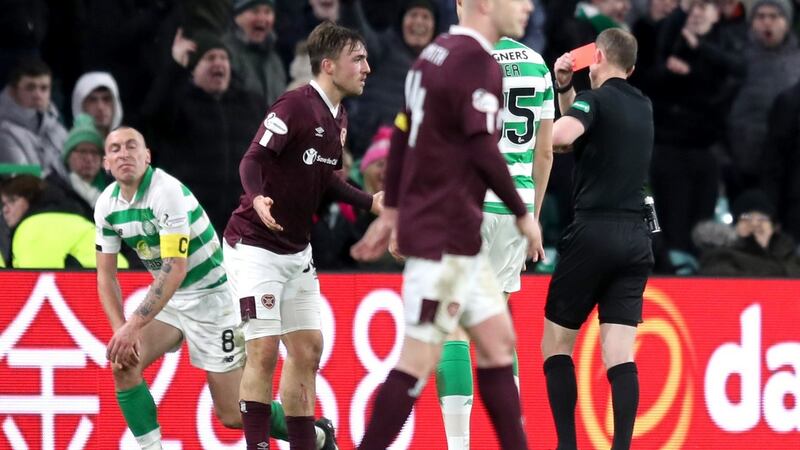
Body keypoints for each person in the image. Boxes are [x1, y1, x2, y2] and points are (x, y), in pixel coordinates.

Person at [350, 0, 543, 448]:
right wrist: (521, 212)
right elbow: (481, 148)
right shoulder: (477, 63)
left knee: (497, 344)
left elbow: (401, 131)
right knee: (415, 364)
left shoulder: (432, 55)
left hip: (461, 238)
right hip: (442, 240)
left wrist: (394, 211)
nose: (529, 6)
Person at [95, 127, 337, 450]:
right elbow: (106, 276)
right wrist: (120, 331)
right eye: (114, 149)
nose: (123, 153)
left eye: (131, 146)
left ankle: (318, 436)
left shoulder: (165, 192)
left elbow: (175, 268)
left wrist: (133, 326)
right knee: (122, 364)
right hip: (171, 300)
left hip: (214, 298)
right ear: (106, 164)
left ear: (147, 156)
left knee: (232, 413)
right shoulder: (106, 206)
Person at [223, 22, 378, 450]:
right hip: (254, 246)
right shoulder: (294, 105)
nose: (367, 67)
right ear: (329, 66)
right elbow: (251, 160)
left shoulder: (338, 116)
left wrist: (371, 203)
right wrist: (256, 199)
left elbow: (326, 179)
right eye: (358, 59)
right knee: (264, 351)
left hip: (296, 250)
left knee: (308, 350)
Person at [433, 1, 555, 447]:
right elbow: (545, 153)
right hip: (515, 208)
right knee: (497, 323)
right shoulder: (536, 64)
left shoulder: (454, 58)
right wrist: (533, 220)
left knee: (454, 327)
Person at [542, 28, 654, 450]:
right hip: (636, 237)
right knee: (620, 355)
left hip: (593, 231)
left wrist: (524, 133)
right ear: (633, 67)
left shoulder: (597, 99)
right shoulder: (643, 105)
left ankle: (566, 445)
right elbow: (583, 136)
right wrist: (566, 88)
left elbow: (563, 138)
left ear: (599, 56)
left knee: (555, 343)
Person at [0, 174, 126, 269]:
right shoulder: (71, 218)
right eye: (3, 204)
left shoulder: (36, 227)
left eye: (12, 200)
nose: (6, 210)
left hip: (94, 295)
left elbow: (35, 283)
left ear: (31, 198)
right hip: (122, 290)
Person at [0, 57, 68, 180]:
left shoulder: (56, 125)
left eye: (44, 88)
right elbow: (22, 180)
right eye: (30, 88)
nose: (38, 95)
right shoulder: (3, 132)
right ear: (13, 92)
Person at [224, 0, 288, 109]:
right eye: (255, 11)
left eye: (267, 12)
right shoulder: (225, 54)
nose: (262, 18)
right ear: (237, 16)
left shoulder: (274, 60)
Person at [62, 113, 108, 209]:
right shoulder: (60, 189)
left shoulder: (115, 187)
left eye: (94, 152)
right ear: (68, 157)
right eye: (82, 151)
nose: (89, 158)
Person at [71, 71, 124, 137]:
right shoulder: (68, 145)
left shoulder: (129, 144)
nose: (100, 107)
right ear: (81, 105)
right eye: (92, 100)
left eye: (106, 99)